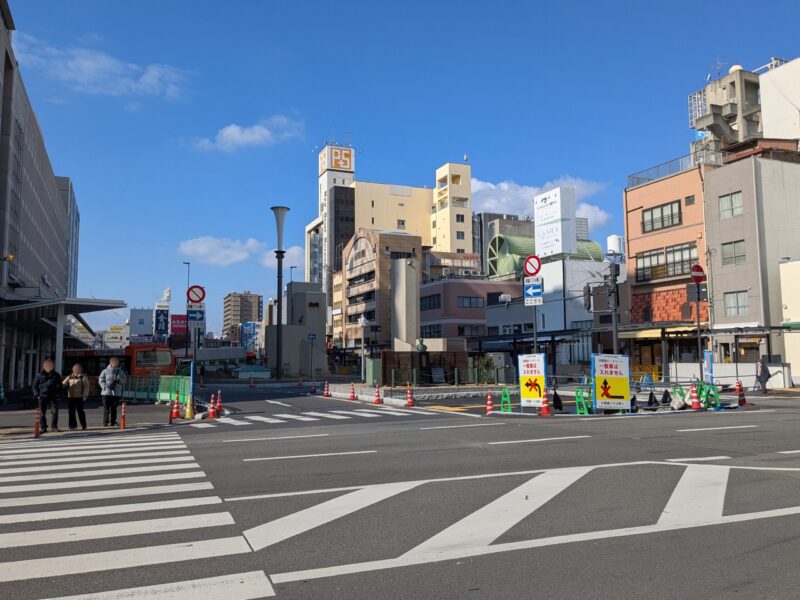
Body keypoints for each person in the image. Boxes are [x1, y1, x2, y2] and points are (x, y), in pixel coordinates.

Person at [32, 359, 63, 433]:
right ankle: (43, 427)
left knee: (55, 412)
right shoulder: (39, 375)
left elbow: (60, 386)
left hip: (53, 396)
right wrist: (37, 395)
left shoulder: (56, 375)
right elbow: (34, 385)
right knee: (42, 413)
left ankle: (54, 427)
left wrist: (59, 394)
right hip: (42, 396)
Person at [99, 357, 127, 427]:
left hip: (116, 393)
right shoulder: (105, 371)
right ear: (110, 363)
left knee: (114, 408)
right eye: (113, 362)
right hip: (106, 393)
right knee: (106, 409)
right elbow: (101, 380)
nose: (115, 363)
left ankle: (113, 422)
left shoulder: (121, 372)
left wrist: (119, 380)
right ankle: (105, 423)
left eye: (116, 362)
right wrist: (105, 387)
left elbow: (124, 381)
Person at [63, 363, 90, 430]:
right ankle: (72, 425)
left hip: (79, 397)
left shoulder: (83, 377)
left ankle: (84, 425)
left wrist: (85, 396)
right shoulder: (69, 376)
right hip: (71, 397)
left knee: (80, 412)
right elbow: (63, 384)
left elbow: (86, 387)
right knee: (71, 412)